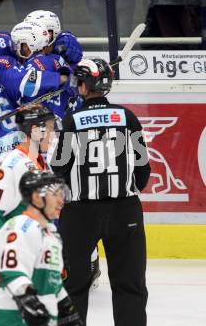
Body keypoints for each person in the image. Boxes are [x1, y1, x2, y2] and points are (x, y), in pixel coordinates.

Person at [50, 58, 151, 326]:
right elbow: (143, 167)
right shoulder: (127, 117)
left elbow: (58, 166)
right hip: (124, 210)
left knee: (73, 287)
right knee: (130, 286)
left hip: (80, 214)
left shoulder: (72, 120)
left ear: (84, 85)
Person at [0, 170, 83, 326]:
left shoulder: (51, 234)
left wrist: (67, 308)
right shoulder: (19, 227)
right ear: (37, 197)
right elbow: (12, 272)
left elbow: (52, 281)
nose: (61, 201)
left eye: (61, 194)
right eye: (55, 195)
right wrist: (30, 303)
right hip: (11, 320)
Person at [0, 106, 56, 279]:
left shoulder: (39, 162)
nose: (53, 134)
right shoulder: (13, 164)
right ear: (35, 131)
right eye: (50, 129)